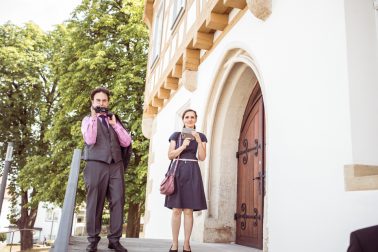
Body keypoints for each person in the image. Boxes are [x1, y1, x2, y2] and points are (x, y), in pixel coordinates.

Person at [81, 87, 131, 252]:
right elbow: (90, 139)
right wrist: (95, 117)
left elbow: (126, 142)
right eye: (98, 101)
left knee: (118, 201)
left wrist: (115, 125)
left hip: (115, 165)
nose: (101, 103)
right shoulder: (87, 120)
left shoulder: (115, 120)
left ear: (108, 102)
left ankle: (114, 240)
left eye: (104, 101)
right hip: (96, 164)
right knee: (94, 203)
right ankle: (93, 240)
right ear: (93, 102)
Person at [165, 109, 207, 252]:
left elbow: (202, 157)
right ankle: (175, 243)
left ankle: (187, 243)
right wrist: (183, 145)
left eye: (192, 117)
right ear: (183, 119)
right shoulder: (176, 135)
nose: (189, 119)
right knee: (176, 210)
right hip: (177, 172)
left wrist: (198, 140)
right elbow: (170, 155)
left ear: (196, 119)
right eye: (187, 117)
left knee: (188, 211)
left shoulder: (201, 136)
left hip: (192, 171)